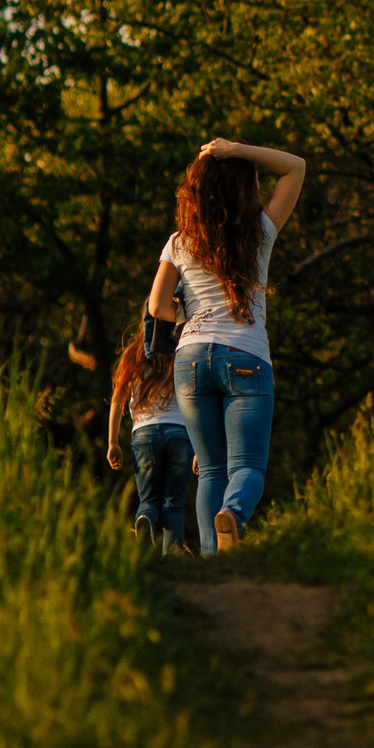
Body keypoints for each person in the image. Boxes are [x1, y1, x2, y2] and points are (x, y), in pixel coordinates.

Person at [146, 136, 305, 554]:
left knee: (212, 470)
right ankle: (232, 515)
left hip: (191, 361)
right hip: (246, 355)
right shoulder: (261, 232)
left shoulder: (179, 241)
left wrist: (189, 317)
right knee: (247, 467)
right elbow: (296, 166)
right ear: (244, 188)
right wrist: (237, 150)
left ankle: (213, 566)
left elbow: (157, 305)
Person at [104, 330, 191, 552]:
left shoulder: (133, 356)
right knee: (174, 504)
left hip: (144, 435)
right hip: (180, 433)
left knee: (149, 500)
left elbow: (117, 401)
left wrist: (112, 443)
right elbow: (196, 401)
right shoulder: (184, 350)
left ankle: (144, 518)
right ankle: (173, 557)